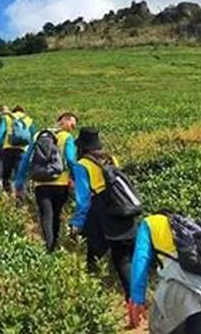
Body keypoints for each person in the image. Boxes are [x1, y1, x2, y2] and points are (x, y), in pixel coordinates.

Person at [128, 213, 201, 333]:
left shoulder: (149, 223)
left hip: (179, 289)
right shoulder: (194, 226)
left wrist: (137, 299)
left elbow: (141, 260)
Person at [69, 127, 137, 301]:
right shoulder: (110, 159)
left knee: (94, 259)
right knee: (123, 260)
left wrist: (77, 223)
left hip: (101, 212)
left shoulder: (82, 165)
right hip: (122, 209)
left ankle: (92, 300)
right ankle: (135, 303)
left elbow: (83, 199)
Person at [14, 112, 80, 252]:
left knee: (45, 215)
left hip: (41, 183)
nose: (73, 127)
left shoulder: (38, 135)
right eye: (72, 124)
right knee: (56, 215)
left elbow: (26, 159)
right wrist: (75, 179)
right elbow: (70, 160)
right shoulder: (67, 137)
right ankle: (54, 245)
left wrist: (19, 182)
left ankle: (48, 248)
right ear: (64, 121)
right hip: (60, 183)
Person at [0, 106, 36, 193]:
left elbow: (2, 133)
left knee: (6, 174)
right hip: (22, 150)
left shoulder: (7, 118)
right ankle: (19, 197)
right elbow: (33, 136)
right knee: (19, 175)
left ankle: (7, 193)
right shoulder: (28, 120)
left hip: (8, 149)